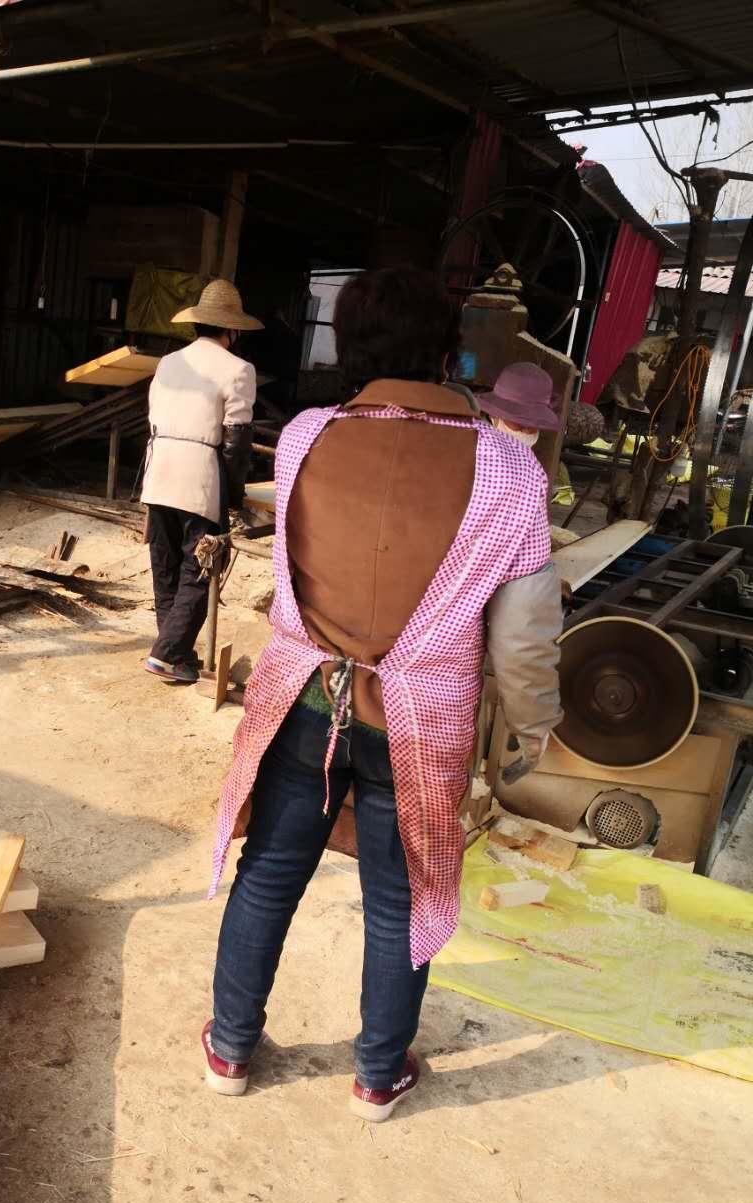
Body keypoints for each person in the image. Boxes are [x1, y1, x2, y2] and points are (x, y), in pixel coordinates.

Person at [203, 267, 564, 1122]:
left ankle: (230, 1048)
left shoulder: (304, 437)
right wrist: (531, 730)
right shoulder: (510, 470)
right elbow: (522, 639)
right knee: (401, 896)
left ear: (347, 346)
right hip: (422, 723)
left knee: (269, 873)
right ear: (447, 352)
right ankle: (376, 1073)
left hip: (305, 699)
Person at [140, 279, 262, 684]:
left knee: (166, 567)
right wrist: (233, 495)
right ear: (233, 329)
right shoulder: (239, 369)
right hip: (199, 480)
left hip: (158, 473)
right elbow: (236, 443)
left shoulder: (168, 362)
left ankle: (175, 654)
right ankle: (166, 654)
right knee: (202, 567)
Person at [476, 361, 562, 449]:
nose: (526, 429)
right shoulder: (476, 444)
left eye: (534, 423)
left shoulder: (527, 457)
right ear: (493, 414)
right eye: (520, 421)